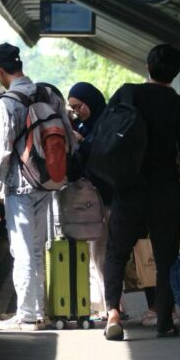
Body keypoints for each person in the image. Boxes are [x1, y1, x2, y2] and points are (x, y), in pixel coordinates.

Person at [103, 44, 180, 341]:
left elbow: (107, 137)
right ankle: (163, 322)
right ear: (177, 73)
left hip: (128, 188)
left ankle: (113, 314)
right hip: (164, 191)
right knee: (165, 257)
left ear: (148, 66)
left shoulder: (126, 94)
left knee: (117, 252)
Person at [0, 43, 75, 331]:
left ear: (0, 71)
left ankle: (26, 314)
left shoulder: (7, 103)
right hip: (48, 182)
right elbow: (69, 138)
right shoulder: (48, 93)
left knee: (22, 250)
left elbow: (1, 151)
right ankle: (39, 312)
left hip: (19, 185)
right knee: (37, 248)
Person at [67, 82, 112, 316]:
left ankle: (108, 305)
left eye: (78, 106)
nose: (77, 112)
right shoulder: (85, 125)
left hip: (106, 198)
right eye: (73, 108)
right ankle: (108, 304)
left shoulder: (105, 124)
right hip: (93, 198)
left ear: (90, 101)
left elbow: (102, 155)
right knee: (98, 252)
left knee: (100, 252)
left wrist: (82, 142)